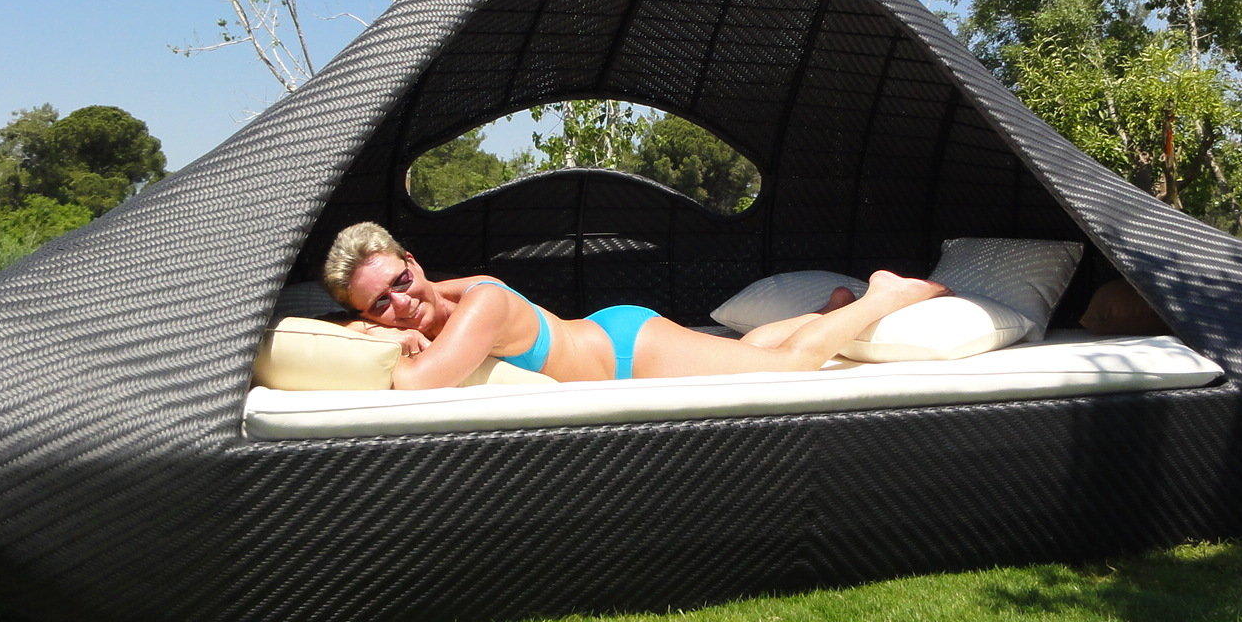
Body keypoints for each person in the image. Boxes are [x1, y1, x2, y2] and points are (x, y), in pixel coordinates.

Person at [322, 222, 946, 389]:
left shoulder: (479, 303)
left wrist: (387, 339)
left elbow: (416, 383)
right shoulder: (451, 295)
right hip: (609, 339)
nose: (401, 304)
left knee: (790, 368)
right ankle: (829, 312)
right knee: (737, 352)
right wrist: (380, 329)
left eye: (400, 281)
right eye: (379, 305)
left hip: (628, 352)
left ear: (414, 263)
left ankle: (885, 293)